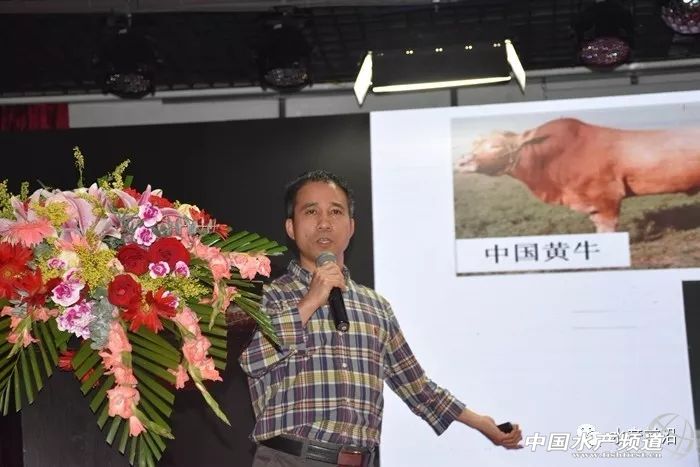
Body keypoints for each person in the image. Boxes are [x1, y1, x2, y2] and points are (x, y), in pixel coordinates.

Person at [239, 170, 522, 467]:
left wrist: (480, 422)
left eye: (335, 212)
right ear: (291, 227)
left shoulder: (375, 307)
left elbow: (417, 386)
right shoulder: (270, 296)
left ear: (351, 226)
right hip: (291, 459)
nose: (324, 222)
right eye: (311, 211)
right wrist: (310, 302)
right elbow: (252, 361)